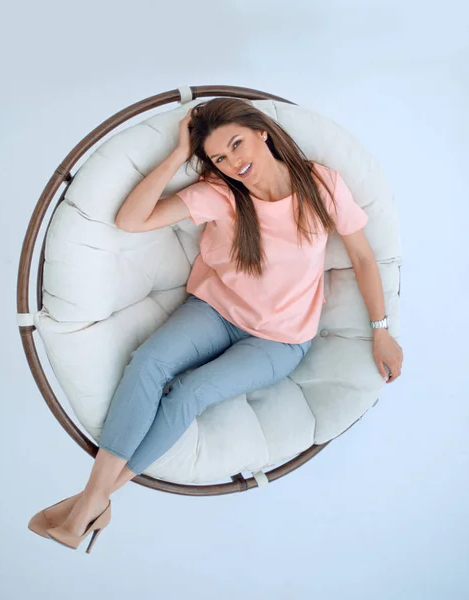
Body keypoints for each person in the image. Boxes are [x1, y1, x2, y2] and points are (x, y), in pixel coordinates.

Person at [29, 98, 404, 552]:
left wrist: (381, 330)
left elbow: (364, 257)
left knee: (191, 393)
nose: (234, 162)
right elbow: (131, 220)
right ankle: (94, 502)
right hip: (213, 312)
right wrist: (176, 155)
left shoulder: (320, 183)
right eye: (220, 157)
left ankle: (93, 500)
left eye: (236, 144)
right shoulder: (221, 193)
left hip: (279, 341)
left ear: (261, 131)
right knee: (148, 362)